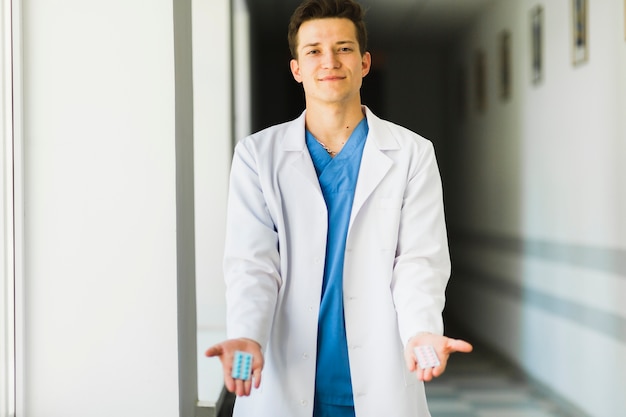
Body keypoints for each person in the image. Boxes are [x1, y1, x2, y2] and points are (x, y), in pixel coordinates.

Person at [206, 0, 473, 416]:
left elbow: (420, 260)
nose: (329, 60)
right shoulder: (258, 155)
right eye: (313, 50)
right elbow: (251, 264)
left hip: (379, 377)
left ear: (365, 62)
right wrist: (245, 336)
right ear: (296, 68)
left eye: (344, 48)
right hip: (284, 378)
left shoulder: (411, 154)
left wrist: (422, 331)